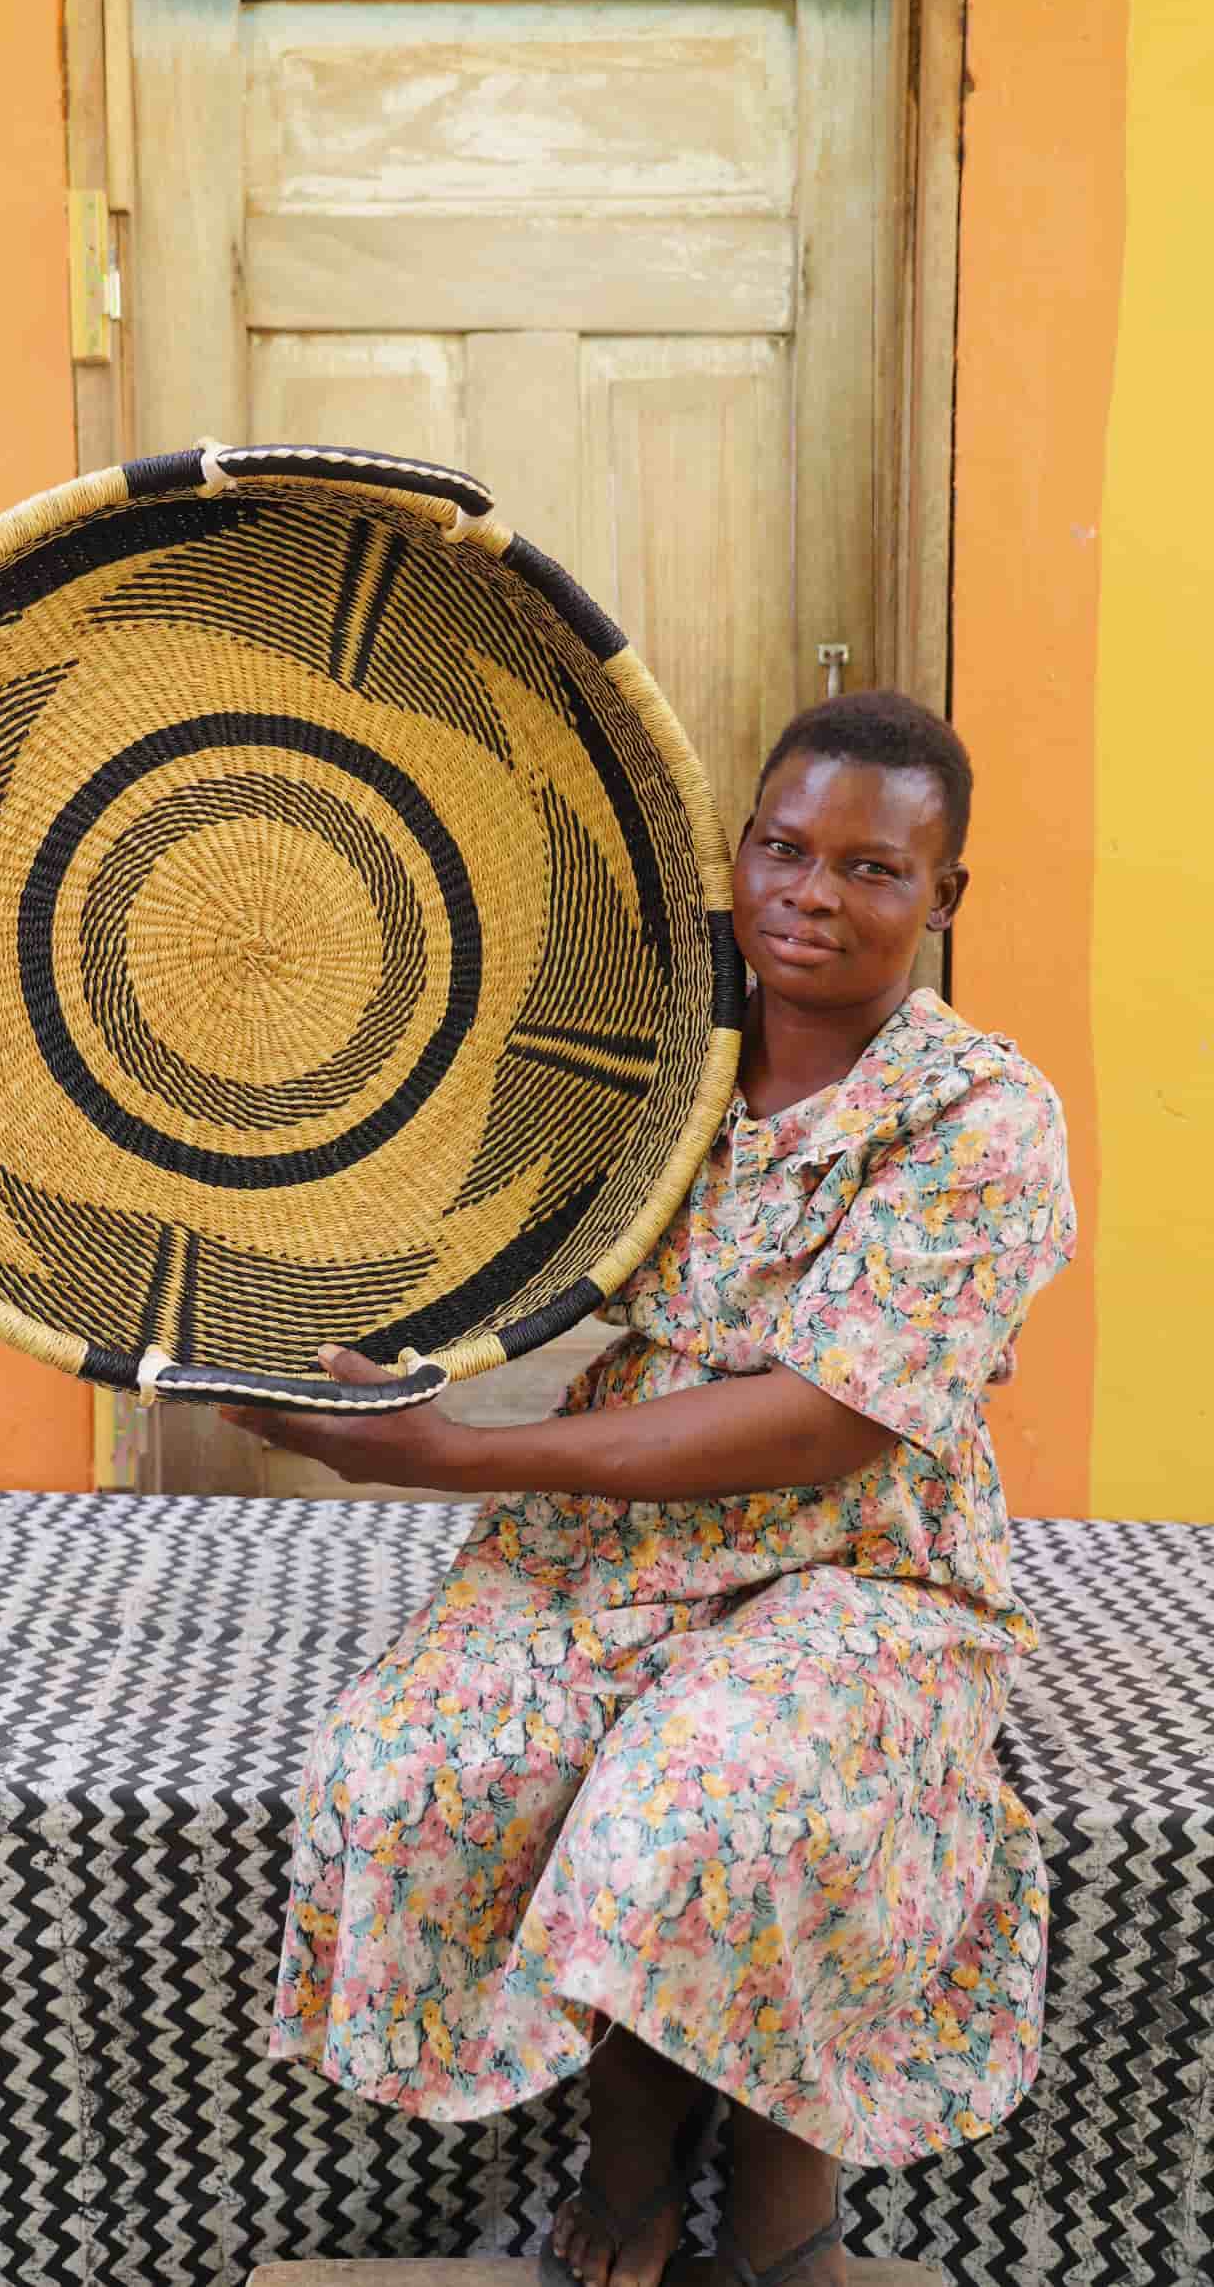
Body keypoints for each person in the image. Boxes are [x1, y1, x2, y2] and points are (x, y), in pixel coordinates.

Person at [224, 691, 1076, 2287]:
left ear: (945, 894)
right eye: (784, 847)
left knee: (705, 1806)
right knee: (410, 1770)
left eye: (873, 867)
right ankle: (644, 2143)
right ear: (738, 851)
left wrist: (456, 1458)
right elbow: (476, 1209)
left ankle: (747, 2205)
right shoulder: (657, 1063)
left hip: (860, 1563)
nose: (812, 893)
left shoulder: (982, 1117)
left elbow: (820, 1427)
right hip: (610, 1541)